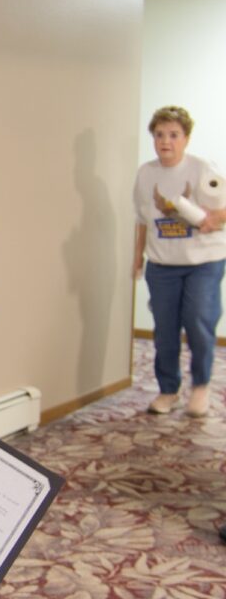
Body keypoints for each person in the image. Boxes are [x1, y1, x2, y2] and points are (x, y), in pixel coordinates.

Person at [133, 105, 226, 418]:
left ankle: (201, 385)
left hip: (204, 261)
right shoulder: (146, 174)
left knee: (199, 319)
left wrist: (214, 217)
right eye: (159, 135)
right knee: (165, 330)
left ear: (186, 138)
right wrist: (138, 258)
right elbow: (142, 219)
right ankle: (168, 389)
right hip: (162, 266)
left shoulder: (202, 169)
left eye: (173, 135)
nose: (165, 141)